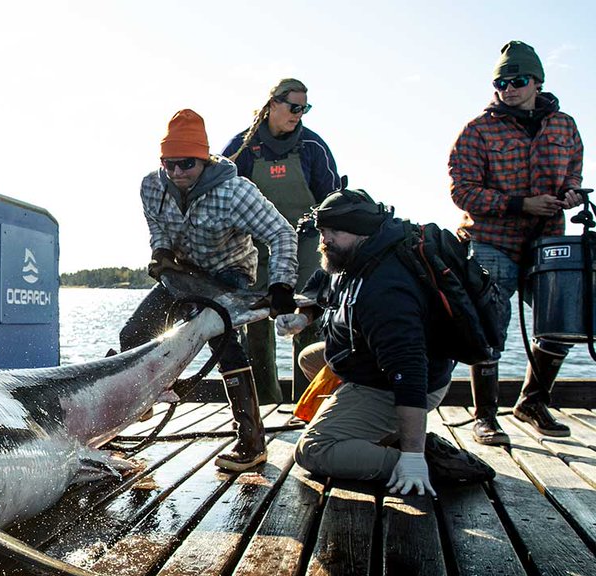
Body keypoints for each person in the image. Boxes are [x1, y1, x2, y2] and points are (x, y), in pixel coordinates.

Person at [119, 109, 298, 472]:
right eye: (168, 164)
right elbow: (157, 227)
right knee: (133, 333)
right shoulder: (151, 186)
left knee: (223, 343)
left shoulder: (235, 193)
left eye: (185, 164)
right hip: (183, 270)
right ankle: (144, 397)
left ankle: (251, 442)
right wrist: (161, 251)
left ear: (203, 159)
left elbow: (282, 233)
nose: (176, 173)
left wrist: (281, 285)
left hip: (229, 272)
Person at [289, 189, 491, 495]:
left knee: (313, 449)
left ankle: (421, 462)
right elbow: (323, 283)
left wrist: (411, 458)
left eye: (335, 232)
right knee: (310, 358)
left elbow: (409, 372)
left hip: (402, 383)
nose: (325, 240)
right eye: (323, 231)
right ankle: (381, 431)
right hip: (368, 362)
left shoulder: (386, 290)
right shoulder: (355, 254)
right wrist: (303, 317)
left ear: (361, 231)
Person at [449, 40, 585, 445]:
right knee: (491, 326)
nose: (508, 88)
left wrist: (572, 193)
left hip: (548, 241)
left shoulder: (565, 126)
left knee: (563, 321)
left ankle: (532, 403)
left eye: (518, 80)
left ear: (537, 82)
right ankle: (486, 416)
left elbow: (573, 171)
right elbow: (463, 192)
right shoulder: (476, 131)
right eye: (501, 82)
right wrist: (521, 203)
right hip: (491, 240)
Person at [223, 78, 342, 405]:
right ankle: (265, 403)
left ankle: (309, 405)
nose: (299, 114)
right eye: (293, 107)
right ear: (272, 104)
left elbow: (332, 200)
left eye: (305, 108)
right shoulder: (242, 147)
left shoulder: (313, 147)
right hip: (255, 245)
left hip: (306, 243)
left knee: (307, 321)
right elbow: (221, 197)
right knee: (257, 326)